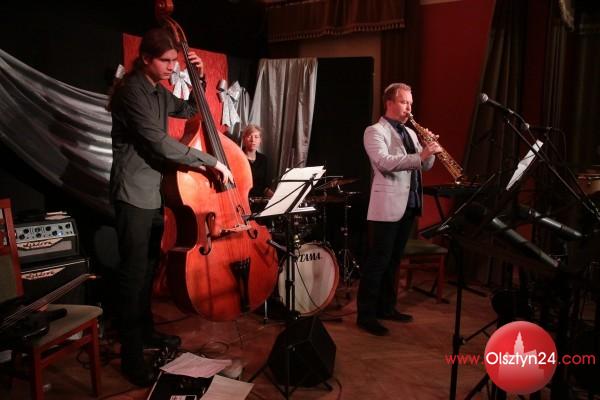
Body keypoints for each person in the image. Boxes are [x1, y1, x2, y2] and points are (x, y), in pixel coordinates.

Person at [108, 27, 233, 386]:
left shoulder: (158, 91)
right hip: (132, 194)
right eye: (166, 61)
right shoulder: (131, 92)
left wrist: (200, 77)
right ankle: (132, 358)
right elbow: (159, 142)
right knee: (133, 276)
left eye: (175, 62)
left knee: (148, 270)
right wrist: (210, 160)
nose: (171, 67)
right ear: (146, 58)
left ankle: (146, 332)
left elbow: (192, 109)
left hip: (152, 194)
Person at [357, 83, 441, 336]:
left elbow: (423, 166)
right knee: (378, 261)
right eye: (404, 102)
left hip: (410, 203)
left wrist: (429, 150)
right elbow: (384, 162)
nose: (409, 108)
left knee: (394, 260)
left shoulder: (412, 134)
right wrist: (421, 155)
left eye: (410, 103)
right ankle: (366, 316)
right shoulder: (374, 131)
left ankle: (387, 307)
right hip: (387, 205)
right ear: (389, 103)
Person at [241, 124, 274, 199]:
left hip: (259, 201)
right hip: (242, 200)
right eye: (249, 136)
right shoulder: (238, 158)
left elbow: (265, 187)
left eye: (256, 137)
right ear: (244, 139)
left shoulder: (263, 159)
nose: (253, 140)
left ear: (260, 140)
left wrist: (275, 197)